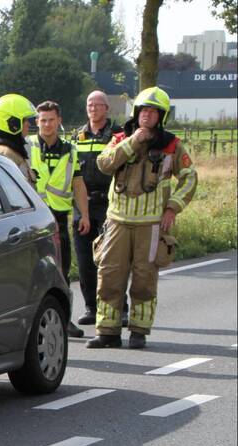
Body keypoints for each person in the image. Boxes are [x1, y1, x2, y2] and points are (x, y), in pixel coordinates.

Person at [87, 87, 198, 349]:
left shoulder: (172, 145)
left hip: (150, 224)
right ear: (136, 113)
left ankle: (139, 331)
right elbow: (104, 164)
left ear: (162, 116)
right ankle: (107, 332)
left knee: (144, 279)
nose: (146, 116)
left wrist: (173, 207)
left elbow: (190, 177)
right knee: (109, 276)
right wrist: (133, 141)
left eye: (152, 112)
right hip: (117, 221)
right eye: (143, 111)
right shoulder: (120, 138)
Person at [27, 100, 90, 338]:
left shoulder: (70, 150)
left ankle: (64, 321)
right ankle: (32, 321)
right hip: (33, 220)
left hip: (60, 219)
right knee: (33, 272)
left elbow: (78, 184)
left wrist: (83, 214)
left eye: (51, 120)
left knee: (62, 272)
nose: (47, 124)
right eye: (42, 120)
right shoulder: (28, 146)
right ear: (36, 122)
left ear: (59, 121)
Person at [73, 91, 125, 328]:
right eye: (89, 105)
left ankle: (119, 308)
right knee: (85, 260)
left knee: (111, 259)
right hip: (83, 204)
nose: (93, 109)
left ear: (106, 108)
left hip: (110, 204)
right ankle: (91, 308)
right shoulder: (78, 135)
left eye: (97, 105)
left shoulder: (119, 134)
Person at [0, 93, 37, 182]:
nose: (29, 124)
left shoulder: (11, 152)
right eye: (25, 120)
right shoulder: (3, 155)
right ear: (13, 123)